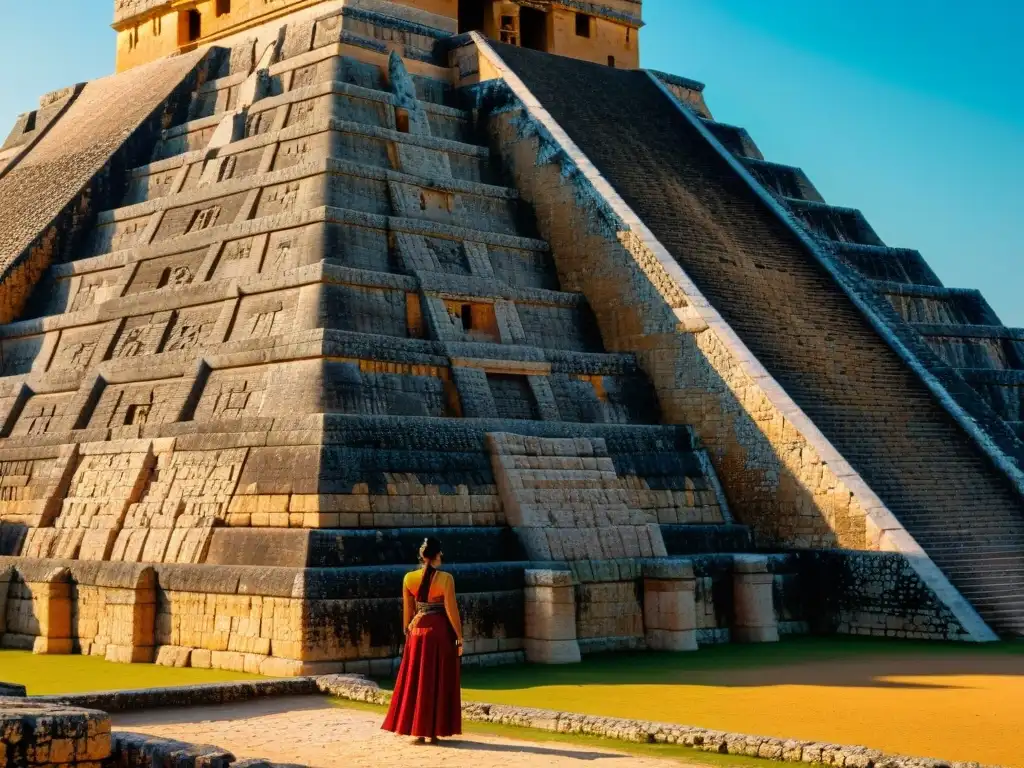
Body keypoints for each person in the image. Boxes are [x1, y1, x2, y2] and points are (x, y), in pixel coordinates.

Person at [381, 537, 464, 744]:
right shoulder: (446, 579)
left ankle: (417, 729)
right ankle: (433, 731)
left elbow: (408, 611)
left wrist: (407, 630)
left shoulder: (409, 578)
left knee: (417, 680)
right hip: (439, 631)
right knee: (437, 679)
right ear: (437, 556)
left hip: (416, 631)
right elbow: (451, 611)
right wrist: (460, 638)